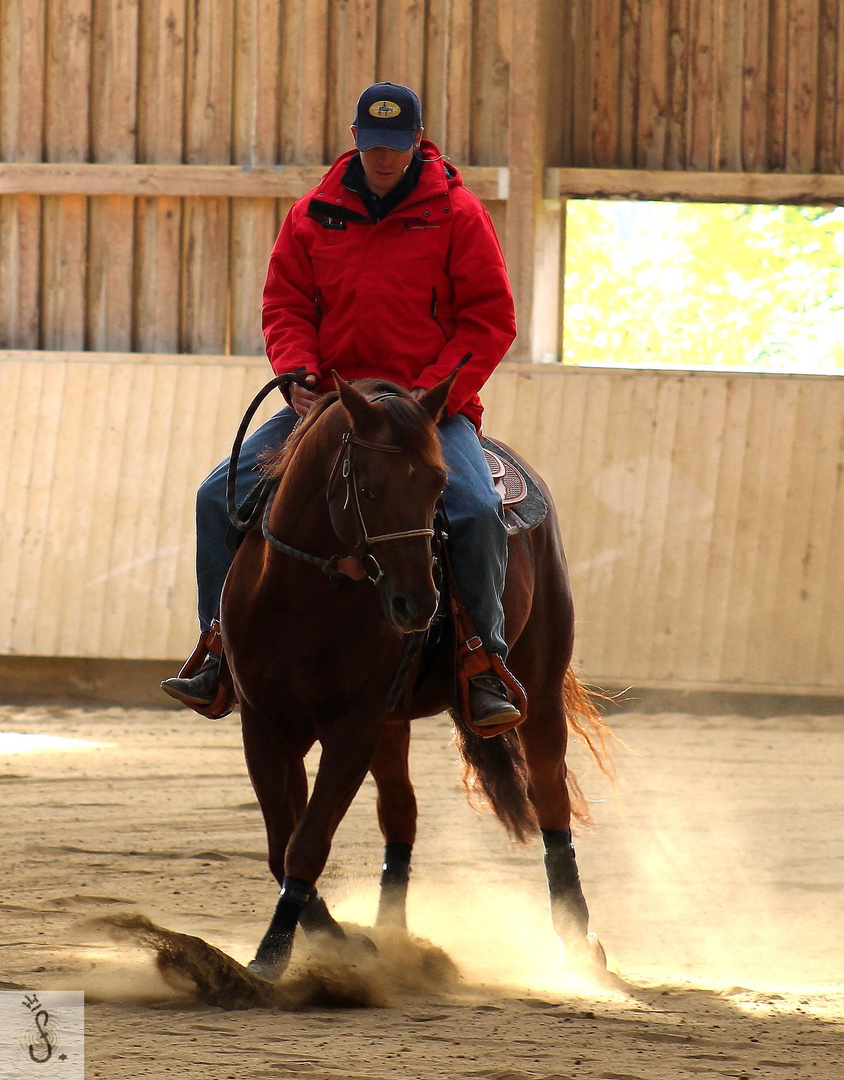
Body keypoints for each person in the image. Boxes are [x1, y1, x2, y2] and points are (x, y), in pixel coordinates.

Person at [161, 82, 519, 727]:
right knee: (216, 495)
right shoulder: (311, 213)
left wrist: (429, 399)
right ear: (357, 139)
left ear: (417, 142)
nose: (385, 157)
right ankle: (219, 648)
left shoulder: (459, 215)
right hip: (331, 408)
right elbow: (286, 304)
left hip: (427, 412)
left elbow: (488, 320)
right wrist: (295, 371)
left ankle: (479, 661)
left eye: (398, 144)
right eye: (375, 144)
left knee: (475, 507)